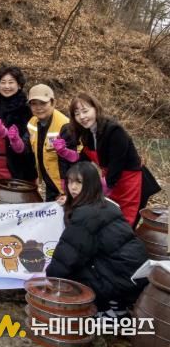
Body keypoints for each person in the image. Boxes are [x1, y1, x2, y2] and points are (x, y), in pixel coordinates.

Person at [46, 162, 148, 319]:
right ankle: (116, 304)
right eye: (70, 181)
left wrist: (49, 280)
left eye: (79, 182)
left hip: (121, 279)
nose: (73, 187)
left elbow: (67, 256)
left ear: (91, 184)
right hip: (135, 274)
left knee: (74, 270)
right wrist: (67, 204)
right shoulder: (105, 203)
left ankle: (107, 308)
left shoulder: (87, 214)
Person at [55, 93, 161, 226]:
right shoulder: (88, 133)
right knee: (110, 223)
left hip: (131, 183)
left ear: (95, 108)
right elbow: (82, 160)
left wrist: (94, 193)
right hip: (112, 182)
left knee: (125, 225)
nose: (82, 117)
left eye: (85, 111)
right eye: (77, 114)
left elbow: (117, 165)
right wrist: (64, 152)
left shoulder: (114, 131)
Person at [0, 65, 37, 183]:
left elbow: (28, 142)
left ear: (19, 84)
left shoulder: (25, 108)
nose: (7, 86)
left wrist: (9, 135)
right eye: (3, 82)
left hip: (19, 164)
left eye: (11, 82)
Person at [26, 84, 75, 201]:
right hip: (50, 183)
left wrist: (66, 190)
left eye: (43, 103)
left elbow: (73, 162)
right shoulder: (32, 122)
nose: (38, 107)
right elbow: (28, 148)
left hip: (66, 186)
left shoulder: (65, 126)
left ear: (53, 103)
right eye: (34, 104)